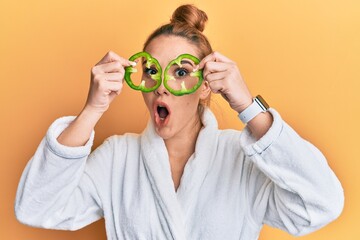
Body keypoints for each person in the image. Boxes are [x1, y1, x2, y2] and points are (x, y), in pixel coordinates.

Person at [15, 4, 344, 240]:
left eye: (181, 72)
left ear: (206, 86)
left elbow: (322, 203)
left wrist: (246, 105)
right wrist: (91, 110)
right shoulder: (118, 159)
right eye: (152, 71)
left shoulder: (240, 159)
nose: (160, 86)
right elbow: (35, 209)